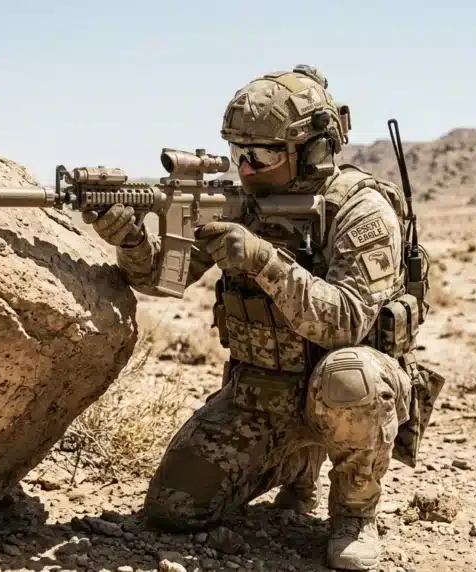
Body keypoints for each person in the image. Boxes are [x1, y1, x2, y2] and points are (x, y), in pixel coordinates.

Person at [82, 64, 445, 571]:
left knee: (351, 374)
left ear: (314, 148)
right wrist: (132, 242)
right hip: (260, 396)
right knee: (175, 510)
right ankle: (297, 459)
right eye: (239, 153)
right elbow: (163, 282)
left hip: (345, 395)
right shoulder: (239, 204)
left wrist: (262, 260)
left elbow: (345, 322)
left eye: (264, 154)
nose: (247, 168)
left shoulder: (361, 211)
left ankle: (354, 514)